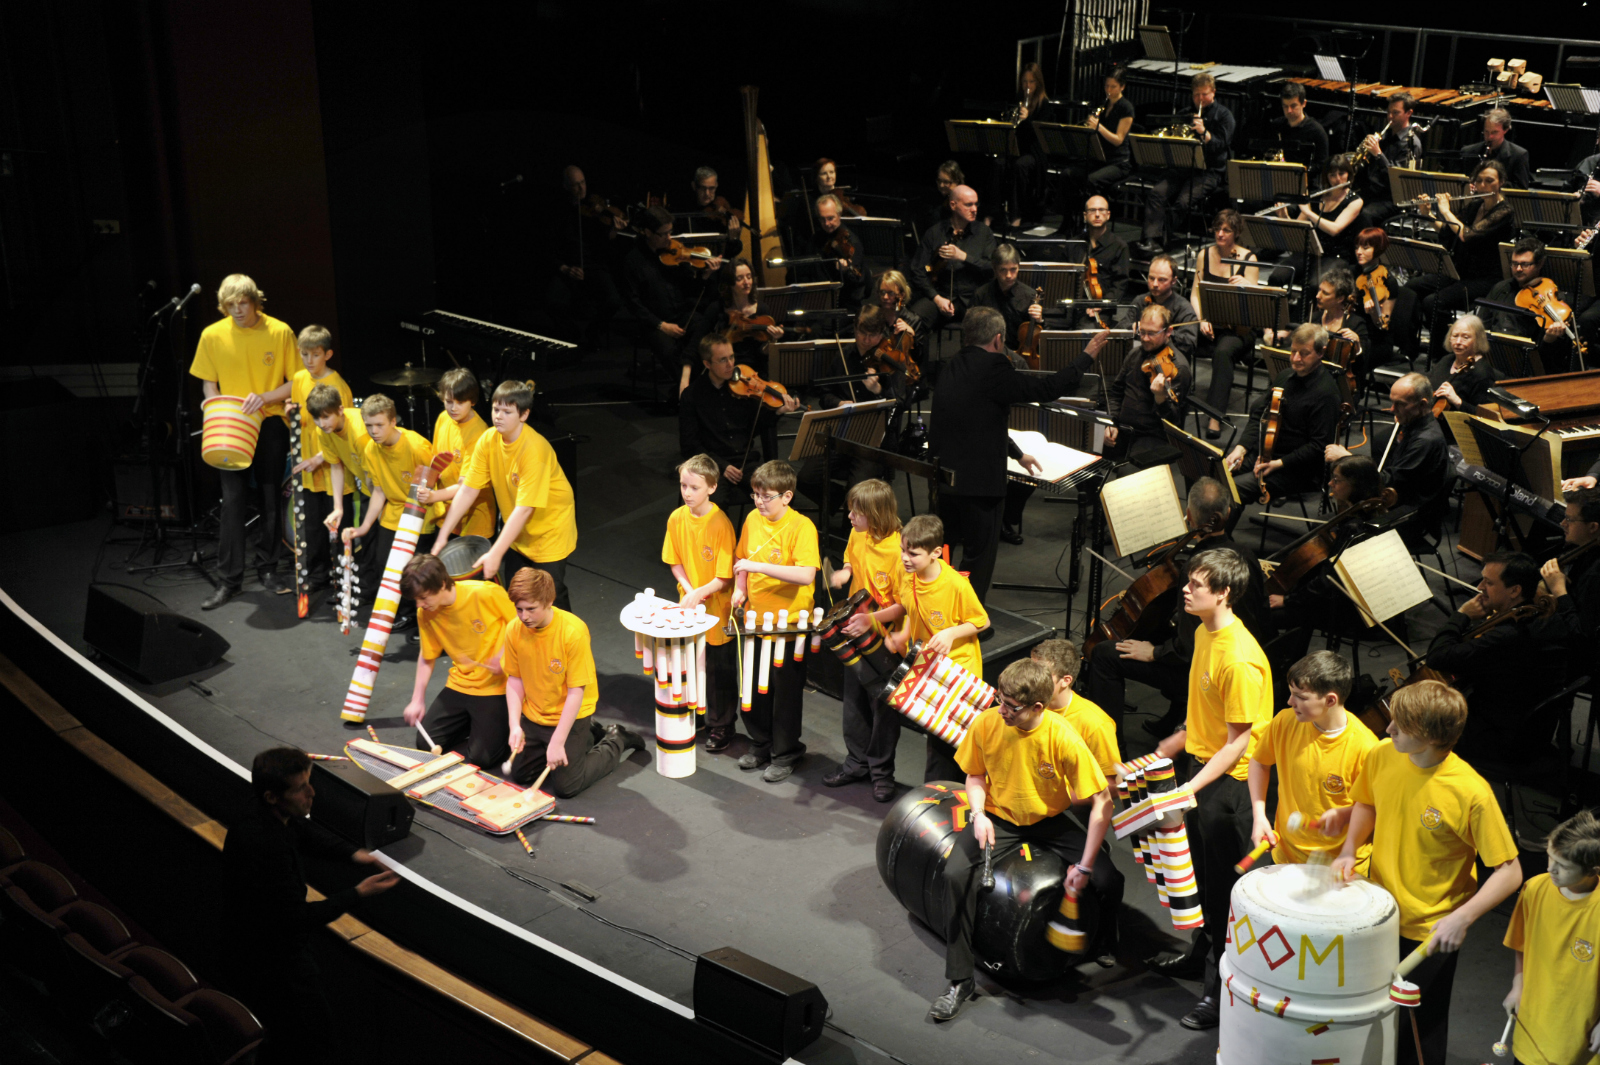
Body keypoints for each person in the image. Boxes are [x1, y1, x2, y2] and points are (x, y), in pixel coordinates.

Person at [1333, 681, 1522, 1065]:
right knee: (1369, 1017)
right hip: (1375, 913)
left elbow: (1509, 871)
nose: (1388, 730)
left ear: (1430, 736)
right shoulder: (1384, 755)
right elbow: (1367, 802)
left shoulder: (1471, 792)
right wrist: (1349, 849)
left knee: (1419, 1034)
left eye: (1400, 726)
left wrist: (1462, 918)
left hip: (1428, 933)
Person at [928, 658, 1115, 1022]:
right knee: (954, 875)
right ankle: (960, 980)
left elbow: (1102, 802)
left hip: (1048, 820)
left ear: (1037, 708)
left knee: (1109, 877)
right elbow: (975, 777)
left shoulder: (1062, 736)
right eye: (1000, 700)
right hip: (999, 816)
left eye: (1012, 707)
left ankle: (1103, 942)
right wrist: (978, 815)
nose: (1002, 711)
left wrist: (1087, 865)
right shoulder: (987, 723)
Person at [1147, 548, 1275, 1030]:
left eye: (1197, 584)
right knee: (1200, 877)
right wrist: (1180, 739)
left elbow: (1240, 742)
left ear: (1223, 593)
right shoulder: (1203, 631)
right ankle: (1199, 953)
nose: (1185, 589)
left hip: (1231, 788)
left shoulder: (1239, 659)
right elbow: (1207, 712)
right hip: (1203, 770)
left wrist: (1189, 790)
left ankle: (1217, 993)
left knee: (1224, 893)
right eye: (1188, 581)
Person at [220, 748, 398, 1060]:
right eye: (301, 787)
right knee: (314, 1039)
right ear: (273, 797)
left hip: (258, 941)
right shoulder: (265, 848)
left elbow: (303, 830)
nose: (312, 793)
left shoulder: (263, 811)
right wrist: (358, 893)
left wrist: (354, 854)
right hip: (275, 958)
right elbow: (297, 918)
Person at [1083, 478, 1273, 743]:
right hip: (1244, 650)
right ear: (1229, 514)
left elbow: (1188, 645)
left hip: (1204, 671)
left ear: (1188, 516)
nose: (1189, 589)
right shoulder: (1246, 556)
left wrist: (1155, 652)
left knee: (1104, 654)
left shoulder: (1196, 568)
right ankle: (1175, 717)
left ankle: (1110, 749)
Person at [927, 306, 1094, 601]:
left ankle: (934, 610)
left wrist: (1017, 454)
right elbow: (1047, 389)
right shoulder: (996, 369)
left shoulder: (949, 365)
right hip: (979, 485)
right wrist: (1086, 356)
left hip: (944, 480)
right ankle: (968, 619)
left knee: (943, 553)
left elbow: (978, 421)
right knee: (978, 558)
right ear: (998, 339)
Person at [190, 274, 295, 609]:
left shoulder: (279, 331)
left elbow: (295, 382)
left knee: (269, 497)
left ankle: (268, 568)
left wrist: (263, 398)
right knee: (232, 500)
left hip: (269, 423)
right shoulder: (212, 334)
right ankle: (229, 580)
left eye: (242, 304)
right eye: (230, 305)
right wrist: (221, 410)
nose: (236, 310)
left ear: (255, 301)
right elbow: (209, 385)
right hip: (229, 426)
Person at [431, 379, 577, 611]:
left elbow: (525, 509)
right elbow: (469, 489)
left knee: (550, 598)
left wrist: (495, 553)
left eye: (506, 412)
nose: (498, 416)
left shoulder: (534, 450)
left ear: (524, 415)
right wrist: (443, 536)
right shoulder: (488, 440)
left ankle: (568, 645)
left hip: (550, 531)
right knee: (517, 595)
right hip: (518, 532)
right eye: (495, 409)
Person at [503, 568, 643, 794]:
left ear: (548, 601)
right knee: (521, 775)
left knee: (567, 786)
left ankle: (616, 739)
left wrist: (558, 742)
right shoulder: (514, 629)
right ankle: (588, 735)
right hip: (535, 714)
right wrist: (514, 725)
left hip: (570, 713)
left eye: (531, 609)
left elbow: (576, 692)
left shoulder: (572, 632)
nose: (524, 616)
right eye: (519, 609)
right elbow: (514, 679)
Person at [1030, 637, 1125, 965]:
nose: (1034, 683)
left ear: (1065, 680)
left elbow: (1111, 785)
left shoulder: (1093, 723)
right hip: (1034, 802)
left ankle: (1106, 940)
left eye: (1043, 676)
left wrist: (1064, 796)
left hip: (1075, 809)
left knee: (1106, 879)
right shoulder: (1030, 706)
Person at [1247, 651, 1379, 871]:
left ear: (1330, 700)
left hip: (1341, 866)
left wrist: (1345, 814)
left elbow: (1376, 808)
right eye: (1291, 693)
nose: (1290, 702)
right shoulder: (1285, 722)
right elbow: (1259, 763)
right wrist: (1259, 816)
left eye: (1301, 696)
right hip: (1287, 856)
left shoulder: (1366, 748)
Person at [1428, 551, 1563, 765]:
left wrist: (1461, 615)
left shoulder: (1507, 636)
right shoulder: (1537, 616)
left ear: (1515, 590)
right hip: (1525, 727)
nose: (1480, 586)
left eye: (1489, 582)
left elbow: (1436, 657)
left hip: (1496, 737)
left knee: (1413, 725)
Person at [730, 460, 820, 782]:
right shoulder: (753, 519)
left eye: (766, 496)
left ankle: (786, 752)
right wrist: (741, 588)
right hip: (756, 620)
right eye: (755, 494)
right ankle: (761, 743)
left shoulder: (802, 527)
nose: (758, 502)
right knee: (754, 690)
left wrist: (759, 569)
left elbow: (806, 573)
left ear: (787, 496)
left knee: (784, 695)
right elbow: (743, 560)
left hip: (789, 625)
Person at [885, 513, 991, 783]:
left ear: (935, 553)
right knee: (935, 736)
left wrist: (951, 633)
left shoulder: (955, 584)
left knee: (948, 742)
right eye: (903, 550)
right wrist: (904, 633)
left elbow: (981, 621)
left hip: (957, 669)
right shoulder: (906, 572)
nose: (906, 558)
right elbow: (911, 607)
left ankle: (946, 796)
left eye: (914, 554)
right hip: (927, 665)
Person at [824, 480, 907, 802]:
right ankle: (856, 763)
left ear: (874, 514)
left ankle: (882, 773)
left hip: (882, 642)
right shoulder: (859, 534)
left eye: (856, 512)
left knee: (883, 709)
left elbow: (904, 604)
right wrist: (846, 572)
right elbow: (851, 557)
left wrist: (870, 620)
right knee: (854, 703)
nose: (849, 517)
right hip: (853, 630)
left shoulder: (899, 551)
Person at [1266, 455, 1387, 669]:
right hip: (1339, 596)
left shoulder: (1354, 529)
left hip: (1339, 607)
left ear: (1355, 485)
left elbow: (1327, 581)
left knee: (1265, 612)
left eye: (1337, 480)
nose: (1330, 484)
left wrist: (1289, 600)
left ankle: (1278, 664)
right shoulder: (1365, 515)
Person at [1502, 809, 1600, 1065]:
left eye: (1563, 866)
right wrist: (1517, 984)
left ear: (1593, 870)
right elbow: (1520, 943)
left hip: (1579, 1039)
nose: (1550, 869)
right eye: (1549, 857)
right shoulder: (1534, 889)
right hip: (1532, 1031)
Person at [399, 553, 514, 769]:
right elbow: (427, 656)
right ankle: (477, 723)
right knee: (425, 744)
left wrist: (502, 654)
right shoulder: (425, 613)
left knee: (483, 758)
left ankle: (500, 724)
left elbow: (522, 626)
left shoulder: (484, 593)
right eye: (416, 600)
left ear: (442, 584)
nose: (420, 604)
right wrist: (417, 699)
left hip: (497, 687)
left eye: (424, 598)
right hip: (460, 684)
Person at [1398, 160, 1514, 362]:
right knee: (1411, 287)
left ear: (1501, 182)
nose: (1484, 186)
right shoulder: (1476, 205)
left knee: (1434, 302)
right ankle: (1408, 347)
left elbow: (1467, 235)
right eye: (1479, 181)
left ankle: (1441, 356)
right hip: (1460, 271)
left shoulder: (1504, 212)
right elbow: (1449, 231)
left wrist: (1446, 211)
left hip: (1485, 278)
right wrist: (1429, 214)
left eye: (1489, 181)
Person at [799, 305, 909, 512]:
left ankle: (852, 522)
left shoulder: (891, 359)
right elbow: (825, 394)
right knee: (805, 478)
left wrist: (878, 390)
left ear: (881, 333)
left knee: (857, 493)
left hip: (874, 439)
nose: (866, 340)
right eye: (862, 333)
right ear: (855, 329)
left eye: (873, 335)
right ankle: (840, 502)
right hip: (843, 434)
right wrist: (839, 403)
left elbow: (901, 403)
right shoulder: (844, 355)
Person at [663, 454, 739, 753]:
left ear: (711, 487)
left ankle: (723, 724)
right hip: (690, 603)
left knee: (720, 669)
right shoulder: (676, 517)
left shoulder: (720, 524)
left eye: (694, 487)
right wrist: (689, 590)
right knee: (693, 663)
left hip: (716, 609)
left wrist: (700, 593)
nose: (687, 493)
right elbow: (674, 561)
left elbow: (724, 577)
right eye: (683, 485)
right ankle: (699, 711)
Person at [345, 393, 439, 629]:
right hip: (393, 513)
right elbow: (379, 491)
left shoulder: (417, 446)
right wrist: (365, 526)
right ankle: (401, 612)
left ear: (393, 421)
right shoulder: (370, 450)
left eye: (379, 425)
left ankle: (419, 619)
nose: (374, 431)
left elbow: (436, 485)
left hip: (421, 513)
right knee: (383, 563)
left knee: (416, 571)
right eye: (369, 426)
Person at [1326, 373, 1450, 550]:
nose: (1391, 409)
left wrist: (1347, 459)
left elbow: (1388, 479)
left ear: (1422, 405)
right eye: (1392, 402)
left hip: (1408, 514)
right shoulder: (1413, 424)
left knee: (1343, 532)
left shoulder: (1426, 441)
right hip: (1396, 499)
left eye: (1400, 404)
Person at [1224, 322, 1342, 504]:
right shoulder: (1284, 377)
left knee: (1232, 490)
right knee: (1215, 473)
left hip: (1295, 469)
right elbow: (1259, 415)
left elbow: (1319, 446)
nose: (1295, 358)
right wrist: (1241, 448)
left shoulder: (1326, 394)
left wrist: (1278, 463)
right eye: (1293, 351)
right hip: (1265, 455)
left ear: (1321, 352)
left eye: (1304, 353)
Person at [679, 334, 798, 510]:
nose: (730, 364)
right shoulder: (692, 396)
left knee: (781, 496)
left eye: (731, 357)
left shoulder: (743, 389)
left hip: (746, 462)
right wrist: (722, 466)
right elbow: (689, 446)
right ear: (707, 364)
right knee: (712, 508)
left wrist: (778, 411)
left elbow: (755, 426)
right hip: (712, 467)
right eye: (722, 360)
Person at [622, 205, 724, 393]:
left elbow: (690, 291)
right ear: (647, 232)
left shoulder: (676, 253)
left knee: (706, 337)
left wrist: (705, 276)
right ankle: (691, 392)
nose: (669, 238)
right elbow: (633, 303)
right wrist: (661, 325)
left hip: (682, 314)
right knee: (670, 352)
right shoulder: (633, 261)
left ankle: (699, 388)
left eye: (670, 232)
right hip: (655, 323)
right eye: (663, 234)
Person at [284, 325, 353, 595]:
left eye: (314, 355)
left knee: (336, 525)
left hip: (332, 469)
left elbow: (342, 431)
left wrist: (319, 457)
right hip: (310, 470)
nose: (309, 361)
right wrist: (291, 412)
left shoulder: (337, 386)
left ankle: (342, 579)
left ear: (327, 354)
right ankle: (318, 577)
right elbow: (303, 418)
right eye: (304, 355)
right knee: (312, 527)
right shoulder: (300, 379)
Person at [1136, 73, 1236, 256]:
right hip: (1181, 168)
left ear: (1213, 92)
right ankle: (1150, 240)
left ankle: (1160, 240)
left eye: (1204, 94)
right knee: (1156, 193)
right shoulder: (1184, 114)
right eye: (1196, 95)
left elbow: (1222, 145)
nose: (1200, 99)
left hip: (1209, 172)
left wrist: (1204, 132)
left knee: (1183, 201)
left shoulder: (1224, 116)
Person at [1190, 209, 1260, 438]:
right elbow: (1195, 294)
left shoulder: (1248, 259)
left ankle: (1214, 416)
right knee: (1178, 337)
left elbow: (1256, 303)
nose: (1220, 234)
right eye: (1217, 229)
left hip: (1237, 330)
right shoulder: (1204, 254)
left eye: (1226, 230)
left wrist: (1247, 286)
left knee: (1222, 352)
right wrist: (1202, 319)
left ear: (1236, 232)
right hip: (1209, 324)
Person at [540, 165, 625, 348]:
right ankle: (572, 333)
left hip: (593, 266)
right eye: (575, 185)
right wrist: (565, 268)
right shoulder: (556, 212)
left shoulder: (595, 210)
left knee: (613, 301)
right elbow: (548, 248)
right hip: (568, 267)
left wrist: (613, 231)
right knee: (551, 301)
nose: (581, 189)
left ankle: (593, 331)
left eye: (583, 183)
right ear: (566, 186)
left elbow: (606, 245)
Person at [308, 385, 375, 600]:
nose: (321, 423)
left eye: (326, 417)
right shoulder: (323, 431)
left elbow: (373, 474)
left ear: (340, 409)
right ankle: (365, 591)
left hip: (383, 487)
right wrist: (338, 508)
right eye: (317, 418)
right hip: (370, 487)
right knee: (369, 543)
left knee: (379, 542)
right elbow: (336, 465)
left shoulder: (360, 429)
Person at [416, 368, 497, 540]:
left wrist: (433, 496)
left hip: (474, 520)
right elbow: (436, 462)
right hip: (445, 513)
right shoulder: (443, 418)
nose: (453, 408)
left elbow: (465, 487)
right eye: (449, 401)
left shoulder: (478, 434)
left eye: (460, 402)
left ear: (472, 401)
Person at [1103, 303, 1189, 465]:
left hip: (1152, 435)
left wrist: (1160, 398)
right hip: (1122, 428)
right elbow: (1116, 392)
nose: (1144, 338)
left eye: (1152, 333)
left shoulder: (1178, 368)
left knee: (1128, 475)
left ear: (1168, 332)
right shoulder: (1136, 353)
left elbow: (1173, 422)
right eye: (1142, 332)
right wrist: (1111, 421)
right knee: (1080, 451)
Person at [1482, 237, 1580, 374]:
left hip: (1525, 363)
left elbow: (1548, 357)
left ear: (1540, 264)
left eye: (1525, 264)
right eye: (1514, 264)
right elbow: (1482, 322)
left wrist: (1549, 339)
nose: (1518, 269)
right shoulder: (1501, 288)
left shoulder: (1553, 298)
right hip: (1494, 353)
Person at [909, 184, 995, 329]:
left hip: (975, 300)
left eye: (976, 204)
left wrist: (963, 257)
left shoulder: (984, 233)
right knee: (911, 323)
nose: (974, 209)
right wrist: (936, 298)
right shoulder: (934, 233)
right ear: (953, 205)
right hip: (941, 296)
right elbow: (917, 270)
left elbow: (992, 267)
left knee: (989, 327)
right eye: (969, 205)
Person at [1539, 487, 1600, 684]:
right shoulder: (1585, 547)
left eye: (1570, 520)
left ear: (1593, 527)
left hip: (1582, 661)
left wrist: (1559, 591)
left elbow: (1581, 638)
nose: (1562, 523)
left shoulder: (1595, 575)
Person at [1356, 94, 1424, 228]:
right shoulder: (1386, 136)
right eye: (1389, 112)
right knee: (1343, 203)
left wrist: (1378, 154)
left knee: (1364, 215)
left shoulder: (1411, 143)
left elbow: (1397, 179)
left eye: (1395, 113)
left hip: (1392, 199)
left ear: (1409, 113)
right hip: (1373, 192)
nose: (1390, 117)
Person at [1001, 62, 1055, 230]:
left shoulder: (1044, 105)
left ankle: (1016, 215)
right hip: (1018, 149)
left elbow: (1040, 135)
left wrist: (1027, 119)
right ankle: (992, 211)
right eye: (1024, 82)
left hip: (1035, 154)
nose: (1027, 86)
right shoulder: (1018, 100)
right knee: (998, 164)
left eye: (1031, 82)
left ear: (1038, 83)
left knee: (1020, 165)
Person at [1290, 155, 1363, 268]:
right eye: (1332, 175)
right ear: (1327, 177)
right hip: (1312, 251)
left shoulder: (1355, 201)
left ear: (1349, 174)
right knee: (1277, 277)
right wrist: (1283, 215)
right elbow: (1297, 229)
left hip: (1335, 255)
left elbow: (1334, 229)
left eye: (1342, 174)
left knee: (1315, 284)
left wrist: (1309, 213)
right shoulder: (1317, 196)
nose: (1338, 179)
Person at [972, 243, 1048, 350]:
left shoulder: (1030, 295)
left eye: (1013, 269)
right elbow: (971, 330)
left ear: (1018, 267)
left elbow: (1039, 337)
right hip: (988, 352)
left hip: (1019, 353)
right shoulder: (981, 294)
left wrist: (1040, 320)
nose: (1009, 275)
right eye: (1003, 270)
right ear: (995, 269)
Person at [720, 257, 783, 377]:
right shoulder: (719, 310)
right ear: (730, 283)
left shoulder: (762, 309)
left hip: (756, 372)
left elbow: (763, 353)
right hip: (728, 371)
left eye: (749, 277)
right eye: (740, 278)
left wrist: (774, 340)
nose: (746, 282)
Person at [1429, 314, 1500, 416]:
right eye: (1455, 336)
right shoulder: (1447, 360)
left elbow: (1484, 415)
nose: (1458, 342)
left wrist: (1457, 401)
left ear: (1477, 340)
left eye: (1465, 337)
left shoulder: (1482, 373)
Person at [1082, 67, 1136, 198]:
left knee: (1092, 180)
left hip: (1119, 163)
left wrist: (1098, 127)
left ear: (1122, 87)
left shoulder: (1126, 108)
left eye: (1113, 86)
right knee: (1069, 174)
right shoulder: (1104, 104)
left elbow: (1118, 140)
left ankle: (1096, 213)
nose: (1109, 90)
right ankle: (1069, 217)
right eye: (1106, 86)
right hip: (1101, 158)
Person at [1138, 255, 1199, 363]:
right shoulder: (1140, 301)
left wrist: (1164, 333)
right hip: (1140, 360)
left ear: (1174, 281)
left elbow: (1189, 344)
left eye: (1162, 280)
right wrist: (1133, 327)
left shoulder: (1184, 309)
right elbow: (1122, 328)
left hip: (1170, 364)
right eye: (1151, 278)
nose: (1155, 284)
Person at [1079, 195, 1131, 320]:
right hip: (1074, 306)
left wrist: (1102, 304)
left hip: (1100, 310)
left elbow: (1120, 284)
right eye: (1092, 210)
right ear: (1085, 216)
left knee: (1087, 333)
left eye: (1101, 210)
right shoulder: (1075, 244)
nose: (1097, 214)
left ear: (1108, 215)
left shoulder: (1119, 246)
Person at [1459, 109, 1531, 190]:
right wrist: (1466, 185)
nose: (1490, 137)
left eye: (1494, 132)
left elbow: (1521, 188)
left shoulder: (1519, 155)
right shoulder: (1468, 151)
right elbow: (1458, 180)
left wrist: (1491, 185)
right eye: (1486, 132)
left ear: (1506, 130)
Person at [1268, 81, 1328, 171]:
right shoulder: (1276, 125)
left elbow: (1322, 165)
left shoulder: (1317, 131)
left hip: (1305, 181)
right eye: (1285, 106)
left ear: (1304, 103)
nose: (1289, 111)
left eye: (1293, 106)